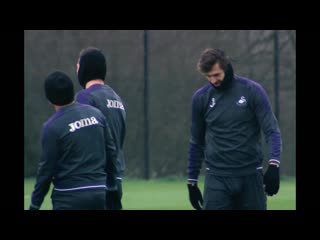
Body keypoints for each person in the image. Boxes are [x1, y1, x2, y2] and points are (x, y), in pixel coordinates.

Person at [187, 48, 282, 210]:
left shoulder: (252, 91)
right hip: (216, 178)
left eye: (216, 75)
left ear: (226, 67)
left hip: (250, 176)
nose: (213, 81)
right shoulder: (201, 98)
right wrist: (192, 181)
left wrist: (274, 164)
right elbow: (196, 142)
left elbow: (271, 130)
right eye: (208, 76)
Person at [29, 71, 118, 210]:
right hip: (99, 194)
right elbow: (111, 152)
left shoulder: (52, 127)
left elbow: (46, 171)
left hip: (69, 197)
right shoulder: (96, 115)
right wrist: (112, 187)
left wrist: (35, 204)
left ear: (49, 99)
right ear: (72, 91)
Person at [75, 47, 126, 210]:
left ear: (84, 68)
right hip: (116, 178)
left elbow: (83, 142)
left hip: (93, 182)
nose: (76, 69)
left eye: (78, 65)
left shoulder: (84, 98)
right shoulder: (116, 98)